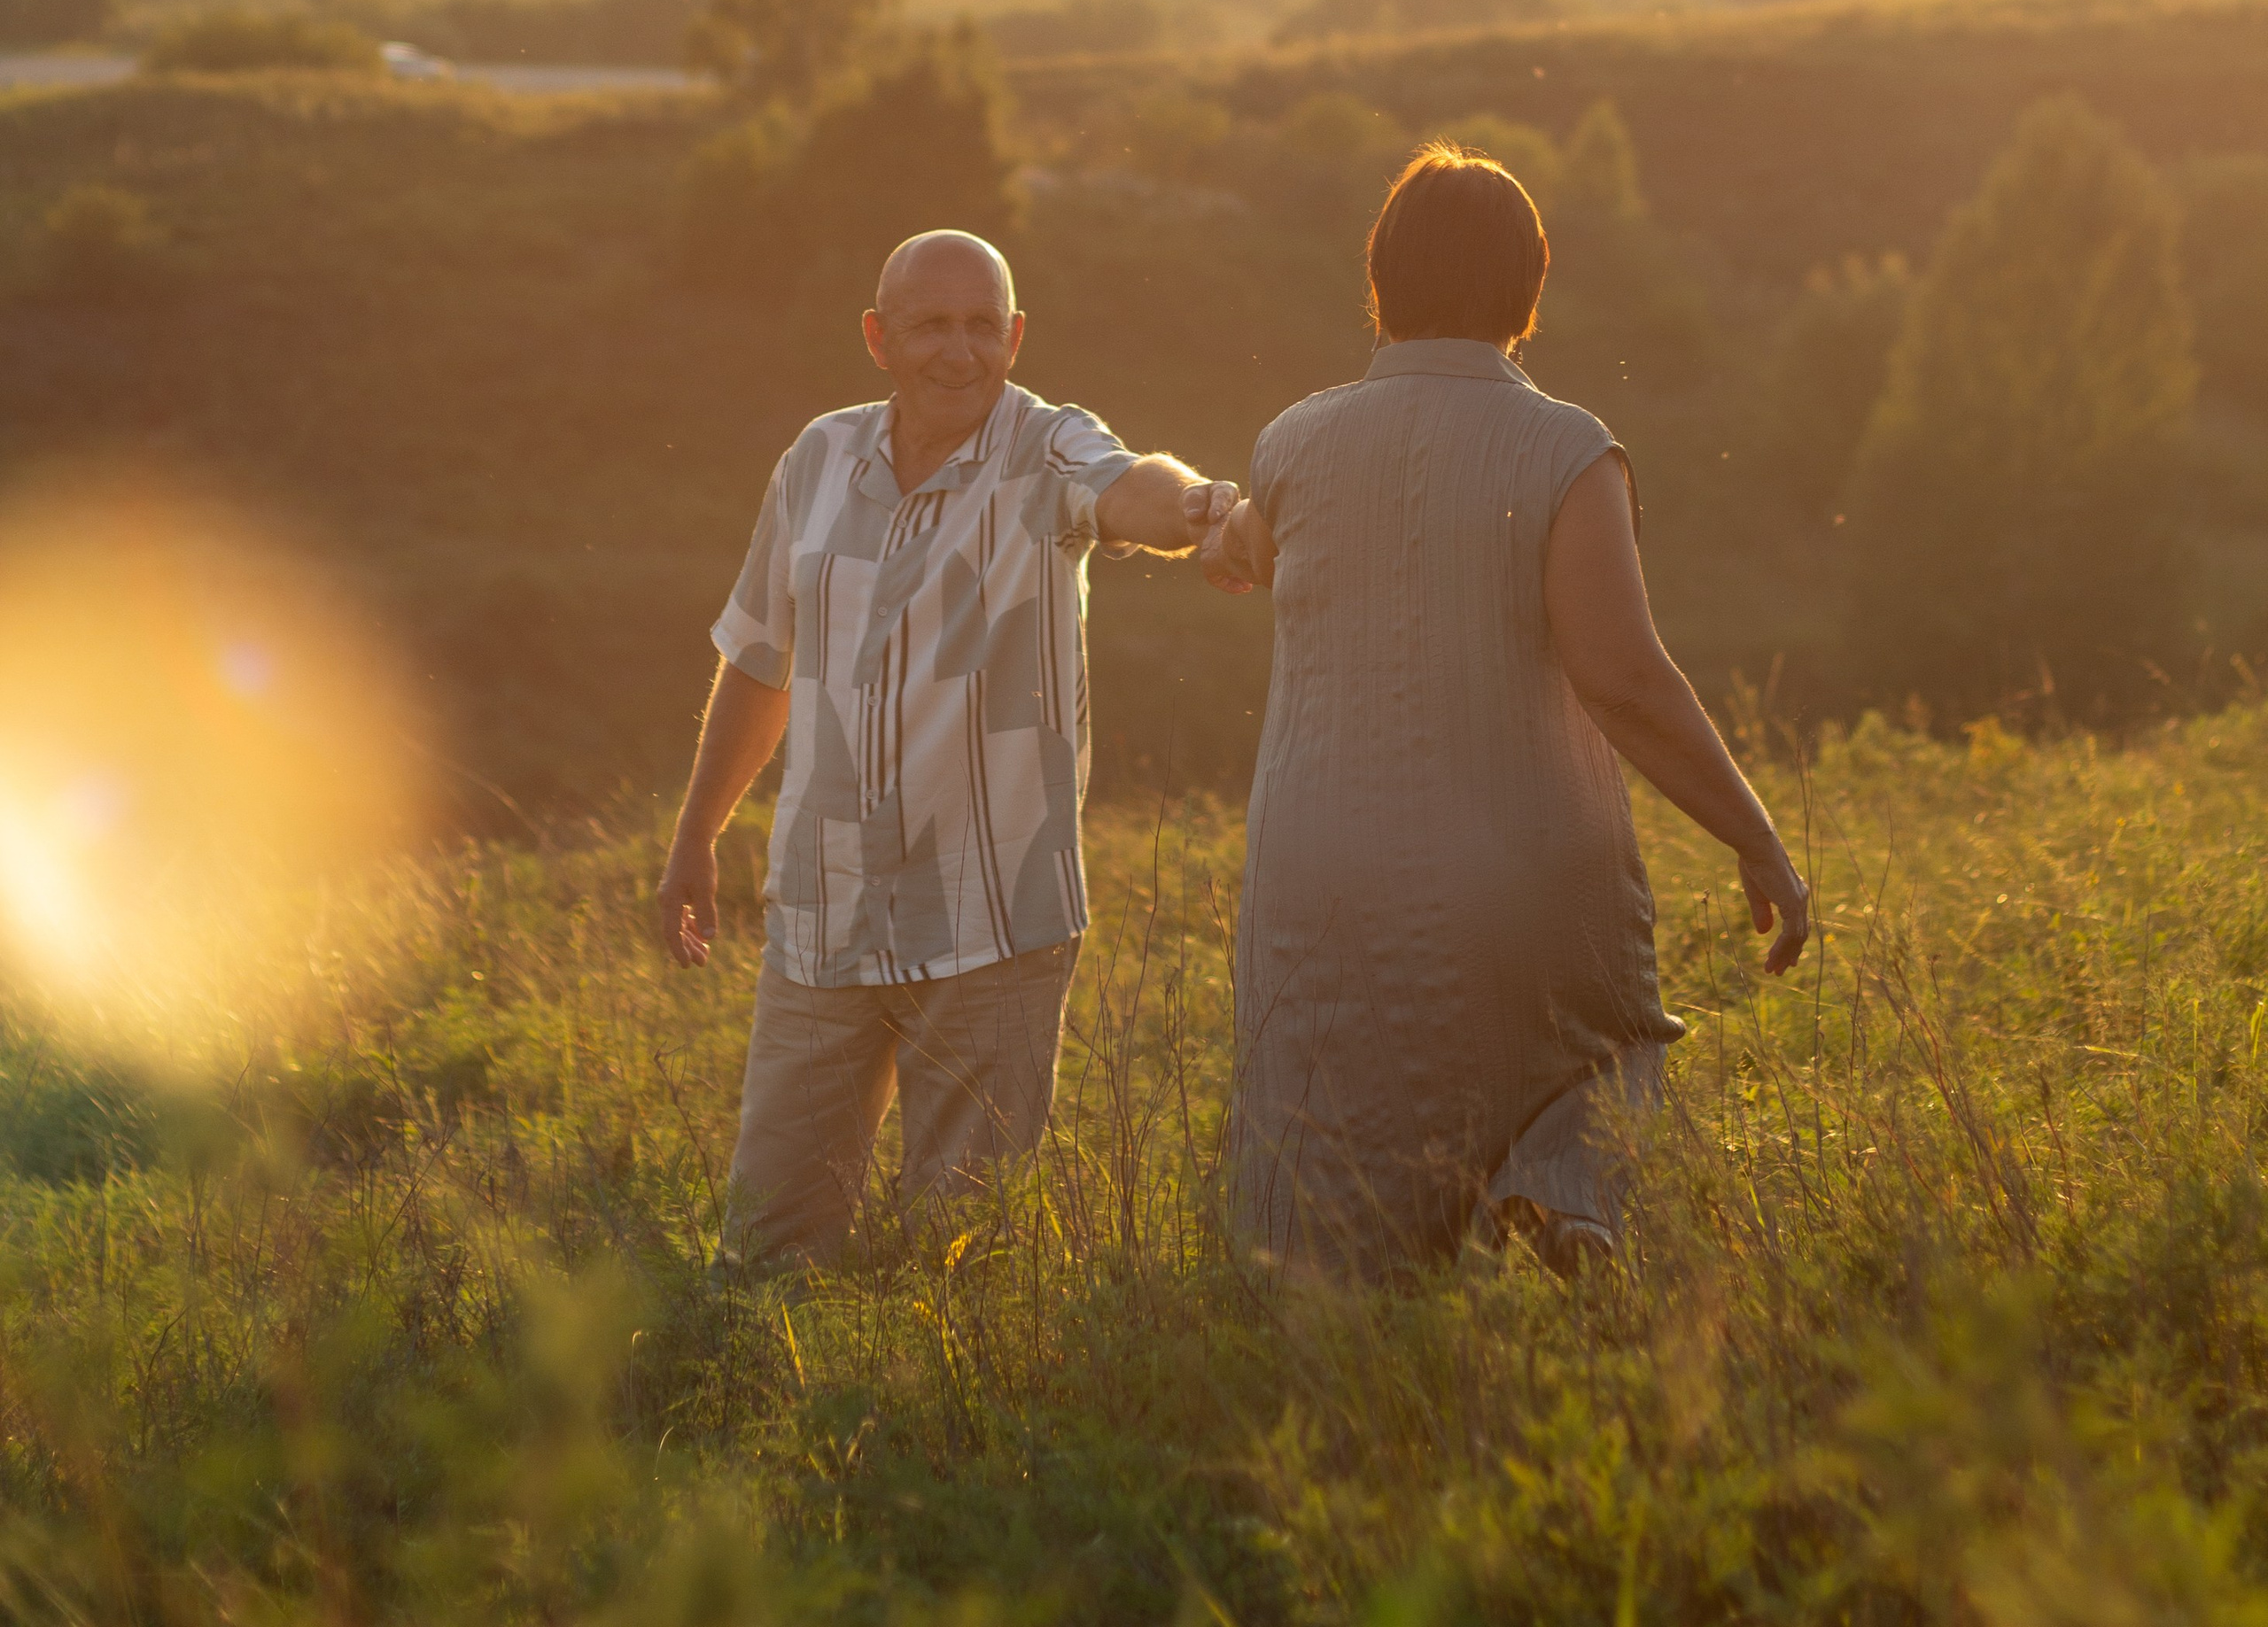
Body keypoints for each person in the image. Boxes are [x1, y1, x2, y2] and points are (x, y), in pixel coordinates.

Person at [1198, 142, 1809, 1278]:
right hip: (1517, 865)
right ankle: (1555, 1198)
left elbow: (1243, 543)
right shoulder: (1564, 445)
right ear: (1531, 287)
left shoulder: (1292, 439)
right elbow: (1621, 677)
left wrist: (1216, 536)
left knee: (1333, 1132)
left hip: (1318, 868)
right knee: (1598, 1050)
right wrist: (1755, 836)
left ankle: (1347, 1318)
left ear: (1378, 276)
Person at [657, 227, 1234, 1271]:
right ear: (879, 337)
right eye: (931, 325)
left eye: (982, 325)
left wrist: (1203, 508)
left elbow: (1128, 484)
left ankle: (936, 1429)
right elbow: (757, 657)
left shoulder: (1044, 446)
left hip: (994, 922)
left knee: (963, 1259)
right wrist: (698, 830)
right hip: (823, 911)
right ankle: (780, 1418)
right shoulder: (817, 458)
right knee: (766, 1248)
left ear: (1015, 336)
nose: (958, 351)